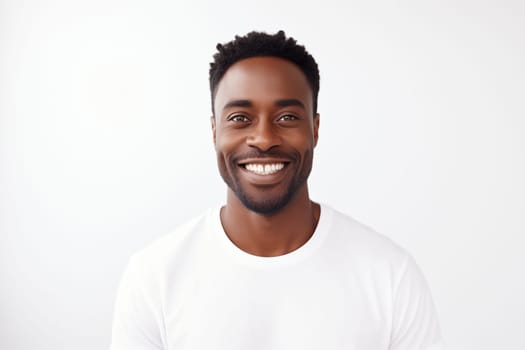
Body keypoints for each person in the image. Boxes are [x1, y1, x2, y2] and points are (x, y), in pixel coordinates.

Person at [110, 30, 444, 350]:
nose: (265, 139)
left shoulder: (389, 276)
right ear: (214, 131)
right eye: (240, 118)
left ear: (315, 128)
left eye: (286, 117)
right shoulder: (154, 278)